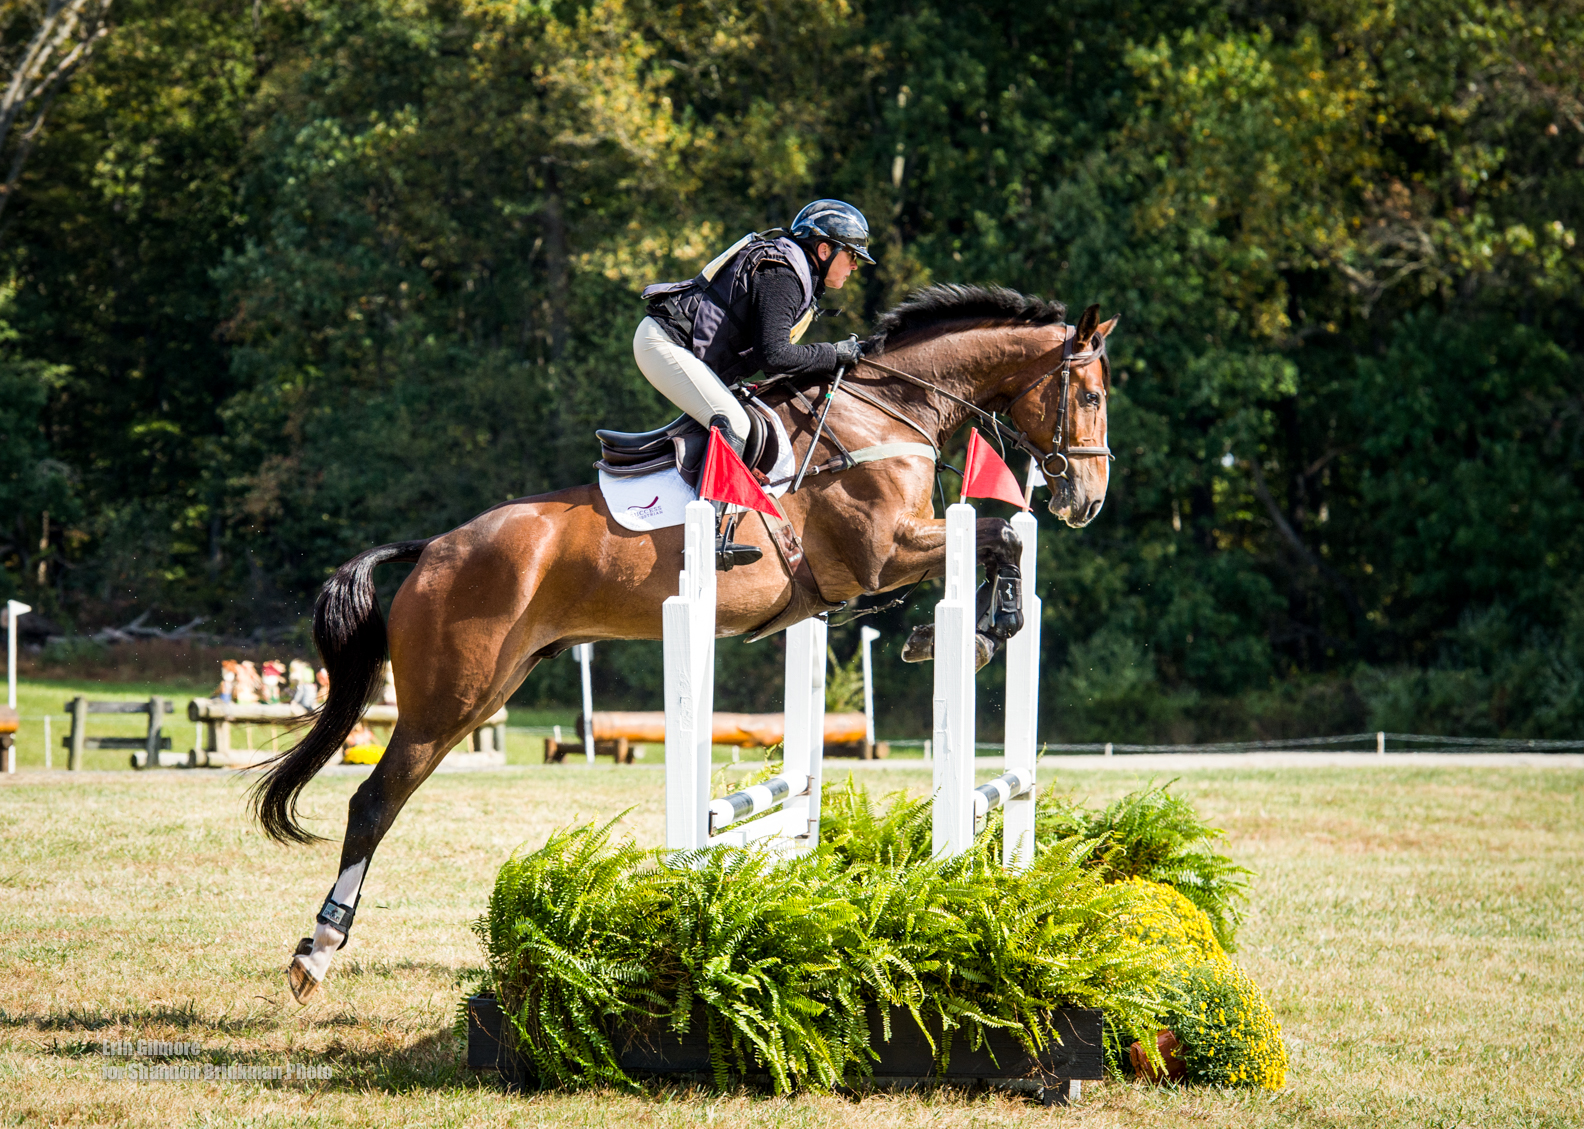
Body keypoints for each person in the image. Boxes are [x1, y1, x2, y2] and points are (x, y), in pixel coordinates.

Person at [636, 199, 874, 567]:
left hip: (688, 354)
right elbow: (774, 356)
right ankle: (703, 533)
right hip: (662, 344)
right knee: (734, 422)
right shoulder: (783, 273)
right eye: (851, 255)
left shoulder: (796, 272)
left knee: (747, 415)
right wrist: (833, 353)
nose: (856, 265)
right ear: (824, 249)